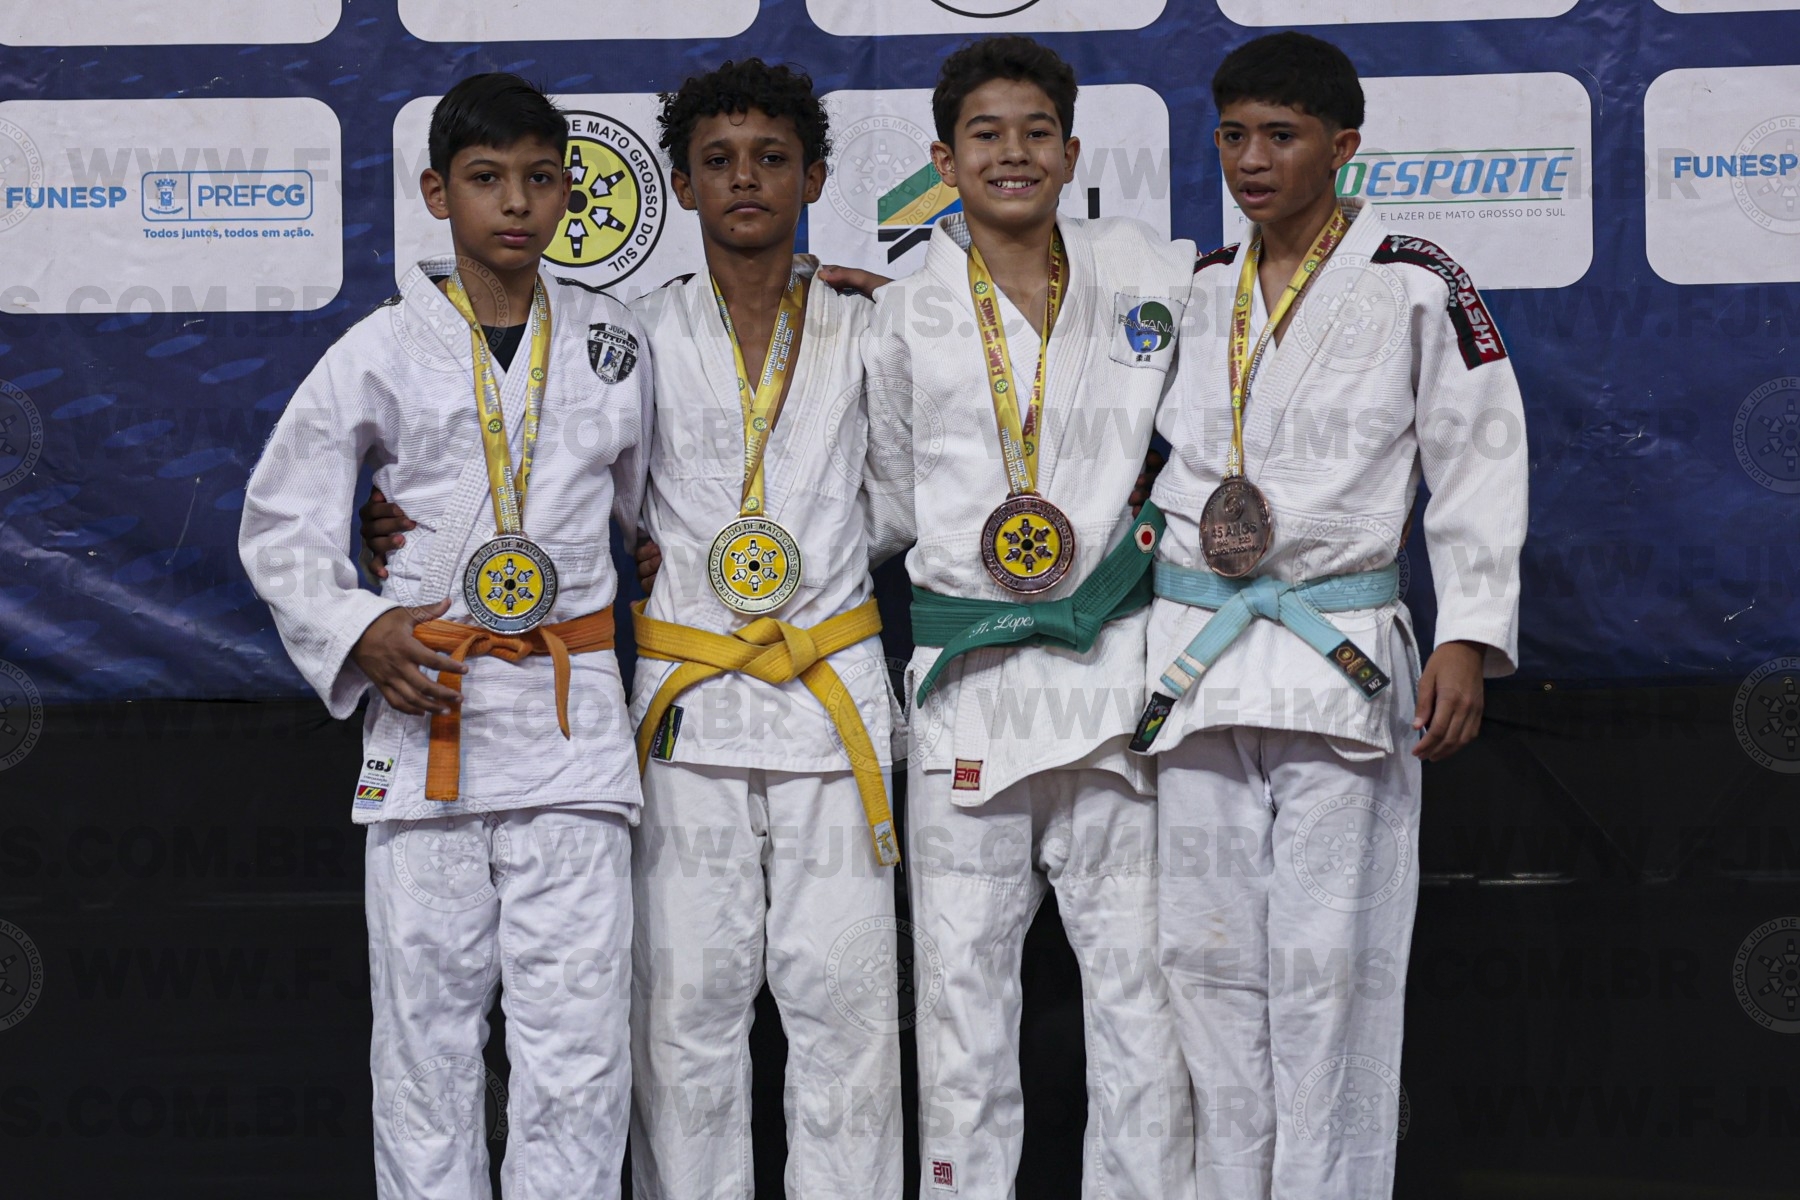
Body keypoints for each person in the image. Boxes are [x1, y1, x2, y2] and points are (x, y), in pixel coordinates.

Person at [363, 60, 905, 1200]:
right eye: (718, 161)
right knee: (682, 1019)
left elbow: (907, 498)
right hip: (683, 712)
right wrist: (399, 525)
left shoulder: (873, 325)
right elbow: (548, 476)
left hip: (829, 697)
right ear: (683, 183)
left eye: (771, 159)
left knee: (848, 1009)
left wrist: (816, 559)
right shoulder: (625, 336)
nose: (745, 179)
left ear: (814, 177)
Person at [239, 72, 652, 1198]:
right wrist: (362, 624)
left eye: (539, 179)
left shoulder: (615, 342)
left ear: (567, 193)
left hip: (571, 733)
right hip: (431, 718)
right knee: (424, 1042)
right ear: (437, 194)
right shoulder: (380, 348)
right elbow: (280, 522)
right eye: (485, 179)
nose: (514, 203)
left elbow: (666, 509)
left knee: (578, 1049)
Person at [1135, 32, 1528, 1200]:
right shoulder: (1198, 286)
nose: (1251, 161)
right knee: (1204, 966)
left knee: (1330, 971)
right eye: (1233, 136)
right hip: (1198, 661)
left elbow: (1479, 457)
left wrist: (1467, 633)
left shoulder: (1416, 280)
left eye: (1282, 136)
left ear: (1344, 145)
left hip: (1336, 658)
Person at [858, 35, 1199, 1199]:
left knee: (1142, 994)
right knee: (961, 994)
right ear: (943, 161)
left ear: (1072, 151)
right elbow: (883, 503)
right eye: (987, 135)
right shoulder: (903, 317)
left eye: (1036, 133)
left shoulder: (1148, 271)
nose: (1014, 153)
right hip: (971, 686)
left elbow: (1241, 377)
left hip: (1118, 680)